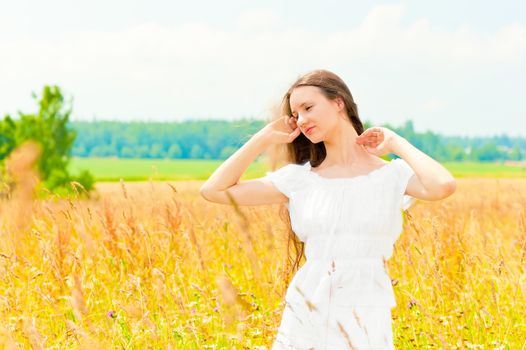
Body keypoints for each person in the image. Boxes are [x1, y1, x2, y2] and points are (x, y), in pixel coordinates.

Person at [200, 69, 456, 349]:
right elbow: (214, 190)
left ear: (338, 102)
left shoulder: (390, 175)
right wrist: (263, 138)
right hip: (308, 306)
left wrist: (396, 143)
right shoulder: (300, 179)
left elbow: (442, 185)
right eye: (296, 114)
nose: (302, 120)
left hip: (366, 306)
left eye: (308, 108)